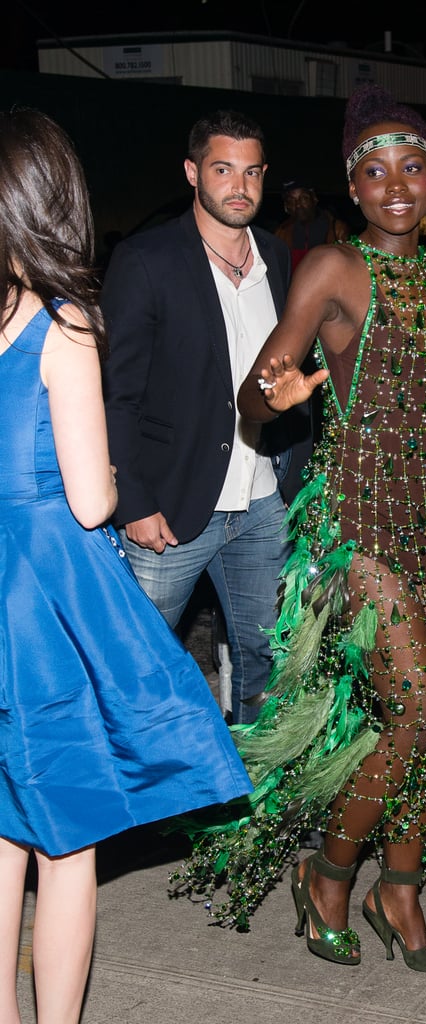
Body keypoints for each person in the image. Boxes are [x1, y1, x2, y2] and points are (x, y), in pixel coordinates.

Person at [169, 84, 426, 969]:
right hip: (357, 531)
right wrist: (272, 395)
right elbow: (255, 394)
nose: (396, 185)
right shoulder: (332, 270)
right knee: (417, 710)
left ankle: (401, 888)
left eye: (412, 167)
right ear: (353, 187)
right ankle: (330, 873)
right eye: (375, 170)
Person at [0, 107, 253, 1024]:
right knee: (67, 844)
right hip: (41, 603)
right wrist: (107, 467)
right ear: (54, 203)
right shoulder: (62, 325)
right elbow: (90, 502)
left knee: (0, 832)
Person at [101, 109, 312, 726]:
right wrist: (131, 501)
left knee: (267, 658)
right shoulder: (147, 260)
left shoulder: (276, 255)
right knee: (137, 665)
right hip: (170, 506)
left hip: (263, 498)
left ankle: (253, 800)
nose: (238, 186)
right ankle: (135, 807)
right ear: (194, 172)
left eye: (251, 172)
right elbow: (118, 395)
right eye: (223, 170)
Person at [274, 178, 351, 271]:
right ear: (286, 207)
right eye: (291, 201)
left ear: (314, 198)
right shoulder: (281, 233)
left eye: (303, 198)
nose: (298, 205)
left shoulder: (337, 229)